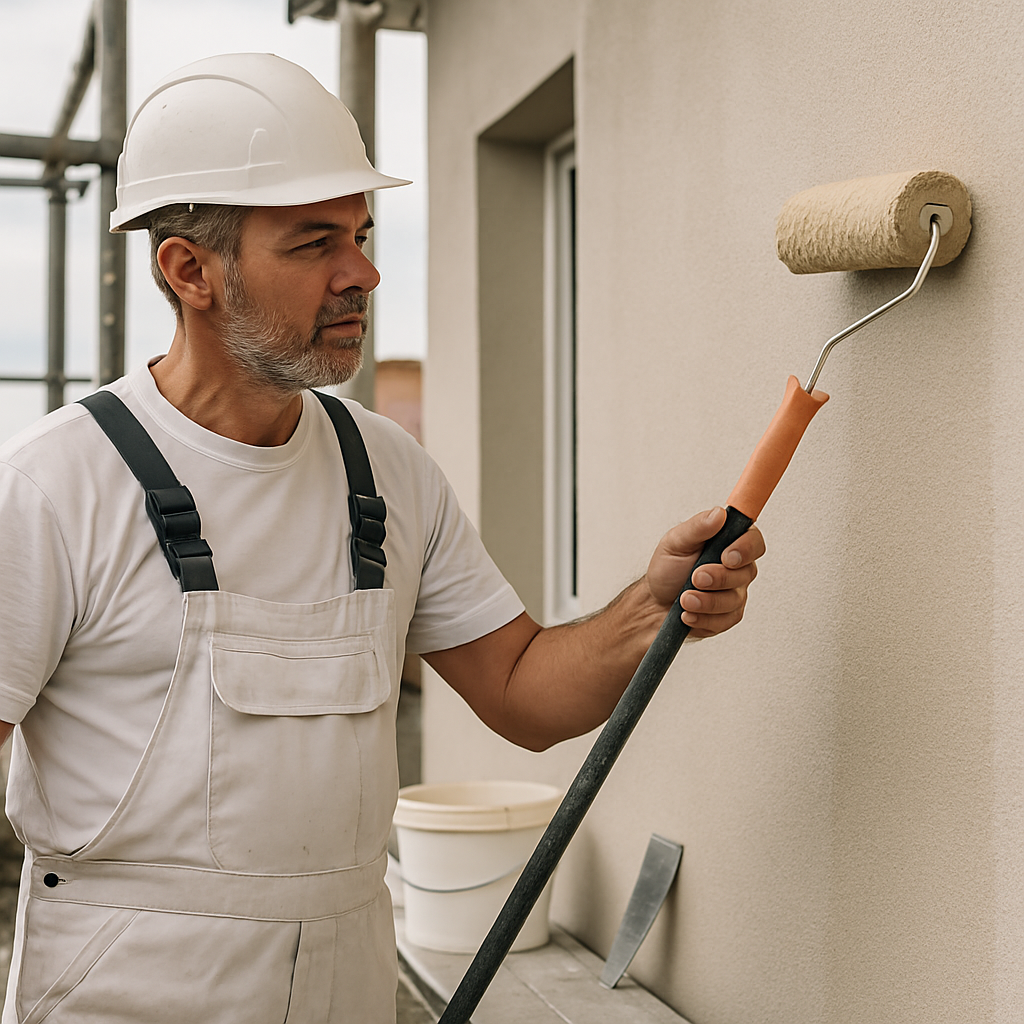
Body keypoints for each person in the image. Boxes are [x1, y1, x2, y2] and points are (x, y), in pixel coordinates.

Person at [0, 54, 764, 1023]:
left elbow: (525, 690)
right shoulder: (52, 487)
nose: (361, 272)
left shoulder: (387, 474)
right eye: (314, 242)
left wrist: (651, 608)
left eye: (361, 235)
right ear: (189, 271)